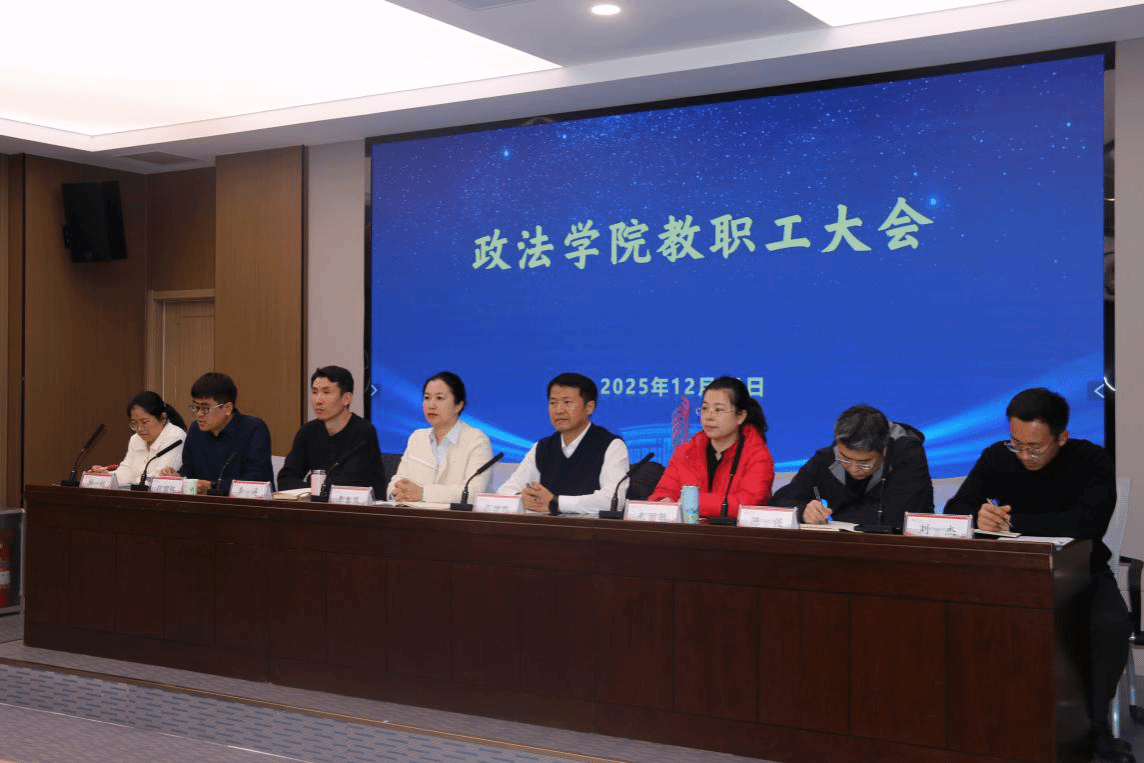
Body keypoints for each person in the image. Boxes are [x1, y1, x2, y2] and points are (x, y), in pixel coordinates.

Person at [945, 388, 1132, 763]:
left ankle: (1094, 727)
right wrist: (979, 518)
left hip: (1082, 573)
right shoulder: (998, 456)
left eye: (1035, 448)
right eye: (1017, 444)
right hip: (1011, 574)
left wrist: (1012, 522)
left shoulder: (1091, 460)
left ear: (1061, 438)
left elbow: (1087, 524)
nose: (1024, 455)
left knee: (1110, 625)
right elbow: (955, 509)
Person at [771, 403, 933, 526]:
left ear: (884, 450)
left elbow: (899, 519)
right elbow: (777, 503)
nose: (854, 469)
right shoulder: (828, 458)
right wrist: (802, 511)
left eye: (865, 462)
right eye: (845, 459)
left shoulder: (907, 455)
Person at [496, 372, 629, 515]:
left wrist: (556, 503)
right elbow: (505, 491)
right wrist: (523, 499)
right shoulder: (543, 447)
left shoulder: (611, 445)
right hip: (545, 527)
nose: (558, 410)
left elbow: (613, 500)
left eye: (567, 402)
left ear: (589, 407)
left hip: (590, 528)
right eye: (553, 403)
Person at [648, 376, 774, 519]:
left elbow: (749, 504)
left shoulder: (758, 457)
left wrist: (694, 503)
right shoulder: (686, 452)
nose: (709, 416)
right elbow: (662, 493)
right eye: (705, 408)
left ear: (740, 416)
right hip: (686, 532)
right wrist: (663, 502)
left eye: (718, 410)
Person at [387, 371, 493, 503]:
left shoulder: (477, 441)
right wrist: (395, 492)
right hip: (413, 514)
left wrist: (423, 493)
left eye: (439, 398)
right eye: (427, 398)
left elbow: (473, 493)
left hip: (454, 516)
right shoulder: (417, 437)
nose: (431, 405)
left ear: (458, 405)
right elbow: (397, 481)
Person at [278, 366, 385, 495]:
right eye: (314, 392)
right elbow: (285, 479)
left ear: (346, 399)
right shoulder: (308, 431)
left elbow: (350, 484)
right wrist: (313, 491)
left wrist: (314, 488)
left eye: (326, 392)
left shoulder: (363, 432)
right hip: (317, 505)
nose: (318, 401)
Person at [161, 372, 273, 494]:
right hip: (203, 504)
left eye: (205, 408)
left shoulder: (253, 429)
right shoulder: (195, 430)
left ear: (227, 408)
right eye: (195, 407)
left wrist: (213, 487)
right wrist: (178, 477)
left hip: (247, 504)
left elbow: (256, 479)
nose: (198, 414)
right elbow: (189, 471)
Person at [91, 391, 187, 486]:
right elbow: (127, 471)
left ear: (163, 418)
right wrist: (105, 476)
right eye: (134, 423)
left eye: (144, 422)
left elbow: (160, 478)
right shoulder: (136, 439)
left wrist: (134, 483)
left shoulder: (176, 437)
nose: (139, 429)